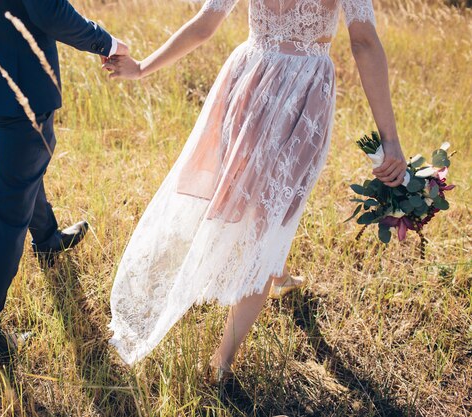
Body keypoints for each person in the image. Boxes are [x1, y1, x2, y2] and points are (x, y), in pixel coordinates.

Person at [104, 0, 407, 380]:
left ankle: (276, 275)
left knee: (264, 197)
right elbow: (362, 43)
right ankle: (222, 361)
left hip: (249, 80)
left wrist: (143, 67)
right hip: (302, 90)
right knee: (275, 210)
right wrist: (390, 139)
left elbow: (205, 24)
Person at [0, 0, 129, 365]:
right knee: (8, 210)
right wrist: (106, 42)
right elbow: (49, 11)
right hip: (21, 84)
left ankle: (47, 241)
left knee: (22, 171)